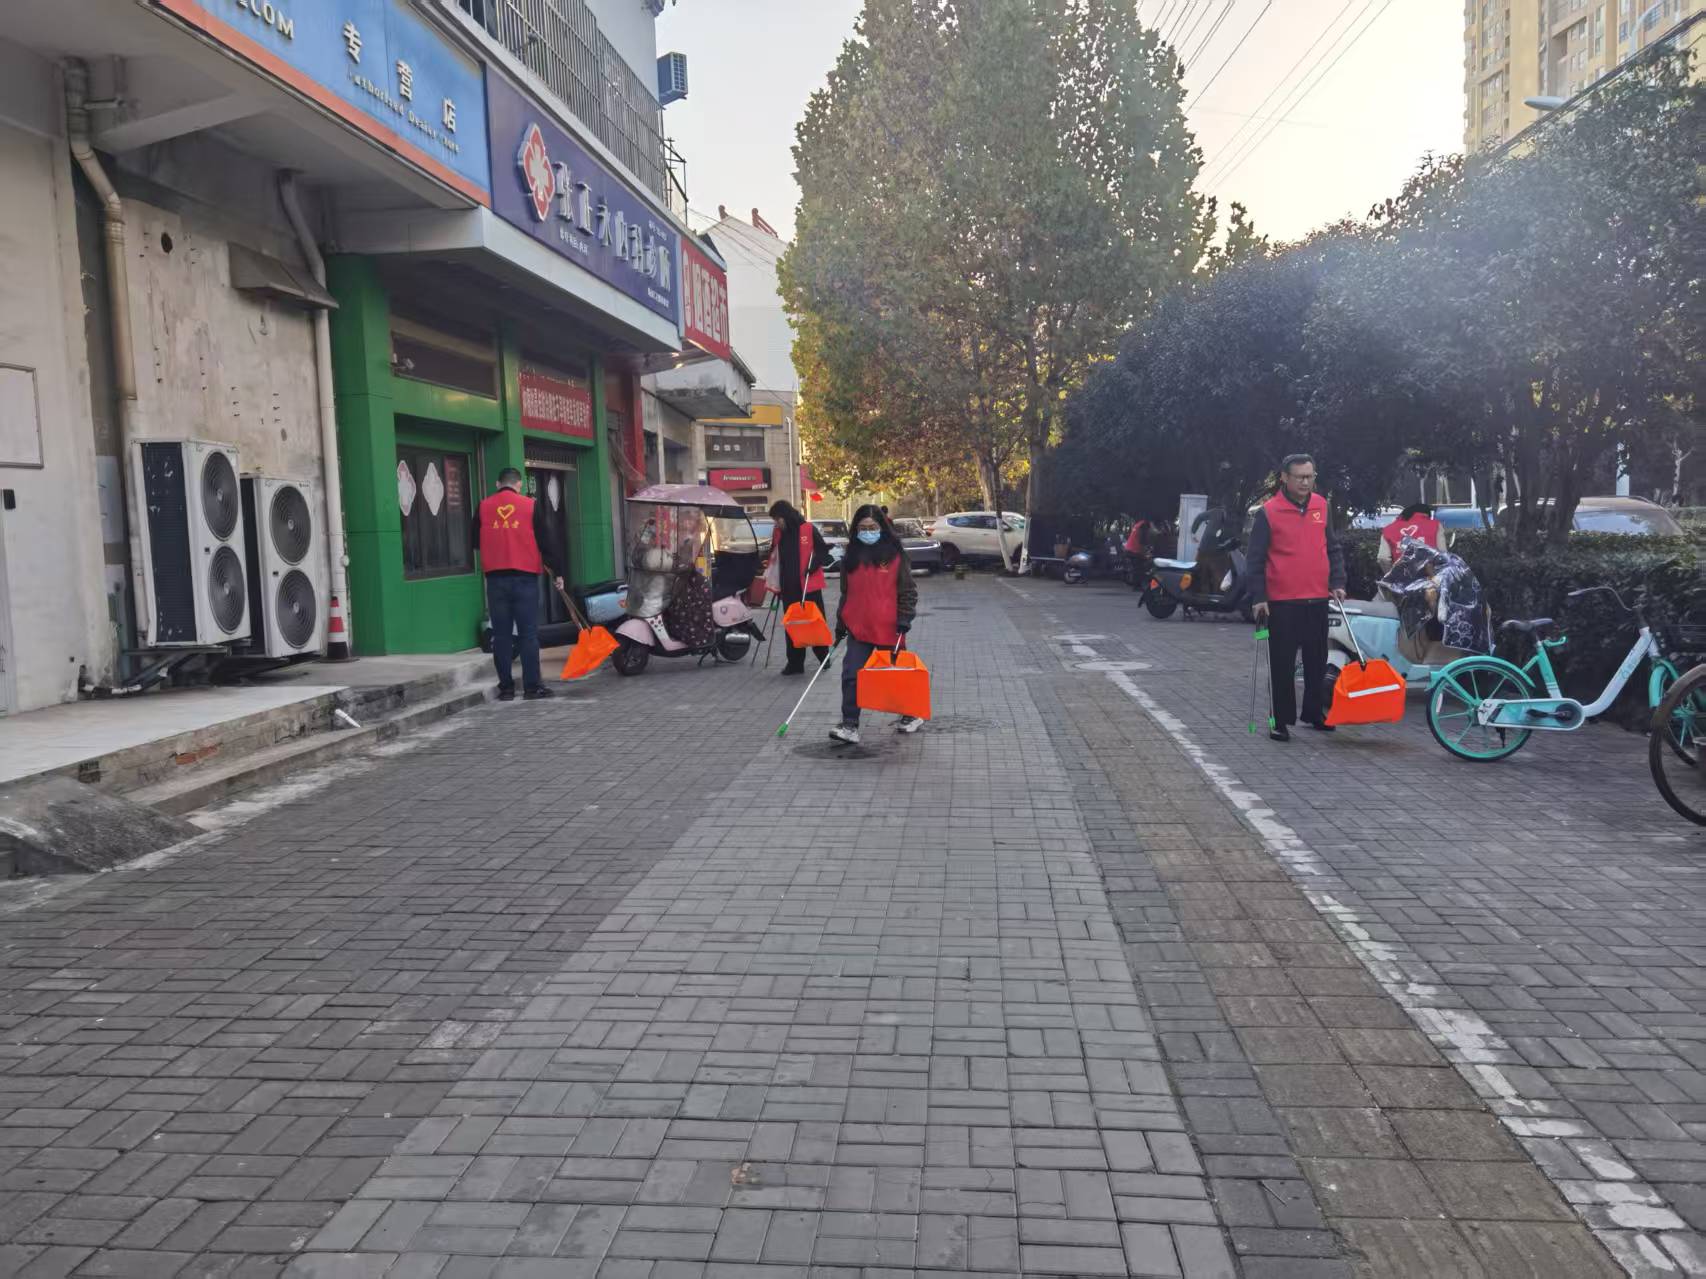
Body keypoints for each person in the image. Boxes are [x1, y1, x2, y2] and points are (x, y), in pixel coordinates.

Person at [1248, 454, 1346, 742]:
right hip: (1282, 602)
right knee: (1282, 665)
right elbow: (1255, 559)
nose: (1306, 482)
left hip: (1317, 599)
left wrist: (1337, 581)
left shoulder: (1321, 506)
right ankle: (1280, 720)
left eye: (1310, 476)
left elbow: (1333, 548)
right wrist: (1259, 596)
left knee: (1317, 661)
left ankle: (1314, 713)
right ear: (1284, 478)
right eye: (1300, 477)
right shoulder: (1268, 512)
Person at [472, 467, 565, 702]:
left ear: (497, 484)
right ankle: (532, 688)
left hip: (495, 580)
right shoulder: (530, 506)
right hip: (525, 579)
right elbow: (547, 543)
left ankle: (506, 689)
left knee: (501, 636)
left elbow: (475, 541)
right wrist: (557, 573)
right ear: (519, 485)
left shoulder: (482, 507)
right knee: (528, 635)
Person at [830, 504, 920, 744]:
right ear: (855, 530)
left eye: (872, 527)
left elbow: (908, 591)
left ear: (882, 528)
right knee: (851, 674)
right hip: (858, 628)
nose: (868, 532)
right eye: (863, 528)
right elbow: (846, 593)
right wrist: (841, 623)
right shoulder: (850, 558)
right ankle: (849, 725)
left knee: (894, 677)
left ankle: (911, 714)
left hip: (890, 629)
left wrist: (905, 617)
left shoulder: (895, 556)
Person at [769, 499, 833, 675]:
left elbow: (822, 550)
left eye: (777, 519)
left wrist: (814, 564)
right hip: (788, 588)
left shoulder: (808, 529)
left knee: (814, 623)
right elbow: (774, 555)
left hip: (808, 587)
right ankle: (795, 663)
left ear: (785, 516)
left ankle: (824, 657)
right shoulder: (778, 533)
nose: (776, 523)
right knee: (793, 625)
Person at [1377, 502, 1449, 570]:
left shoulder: (1388, 529)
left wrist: (1391, 574)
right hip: (1430, 575)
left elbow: (1383, 558)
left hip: (1402, 575)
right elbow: (1443, 554)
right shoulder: (1435, 525)